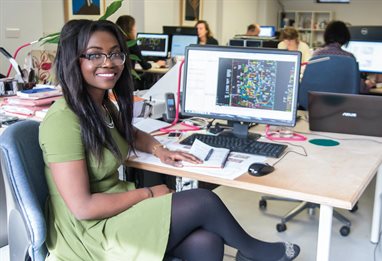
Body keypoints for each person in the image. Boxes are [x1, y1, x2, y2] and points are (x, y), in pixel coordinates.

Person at [39, 19, 300, 261]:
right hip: (88, 232)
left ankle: (249, 252)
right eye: (95, 54)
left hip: (114, 208)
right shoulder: (63, 120)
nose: (108, 62)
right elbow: (83, 207)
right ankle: (253, 251)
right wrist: (149, 193)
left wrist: (159, 149)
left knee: (207, 242)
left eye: (115, 53)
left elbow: (130, 133)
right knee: (203, 201)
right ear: (74, 60)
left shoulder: (102, 105)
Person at [312, 20, 381, 92]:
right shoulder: (349, 58)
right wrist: (367, 84)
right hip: (342, 101)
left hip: (317, 100)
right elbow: (359, 87)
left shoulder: (316, 54)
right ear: (345, 36)